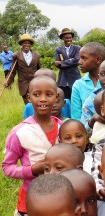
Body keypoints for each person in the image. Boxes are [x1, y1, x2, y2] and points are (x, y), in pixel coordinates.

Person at [2, 76, 61, 216]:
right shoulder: (19, 132)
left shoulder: (63, 128)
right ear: (29, 98)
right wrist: (32, 170)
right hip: (30, 196)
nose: (43, 99)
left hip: (61, 195)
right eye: (36, 94)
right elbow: (7, 167)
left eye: (49, 94)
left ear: (56, 97)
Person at [71, 42, 105, 120]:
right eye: (79, 58)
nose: (79, 62)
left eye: (84, 58)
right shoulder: (78, 85)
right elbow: (76, 116)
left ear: (98, 59)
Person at [4, 34, 41, 104]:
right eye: (24, 43)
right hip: (23, 84)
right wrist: (7, 81)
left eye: (28, 43)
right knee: (27, 105)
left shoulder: (36, 55)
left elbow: (40, 70)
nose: (26, 45)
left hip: (35, 84)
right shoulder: (16, 55)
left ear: (30, 44)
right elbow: (12, 71)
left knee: (36, 103)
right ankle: (29, 115)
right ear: (21, 44)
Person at [54, 28, 81, 100]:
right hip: (63, 79)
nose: (68, 39)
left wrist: (62, 62)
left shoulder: (77, 48)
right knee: (63, 100)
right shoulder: (58, 49)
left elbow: (77, 61)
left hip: (75, 77)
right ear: (63, 38)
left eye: (70, 37)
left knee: (75, 99)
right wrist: (70, 60)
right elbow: (57, 64)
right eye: (66, 38)